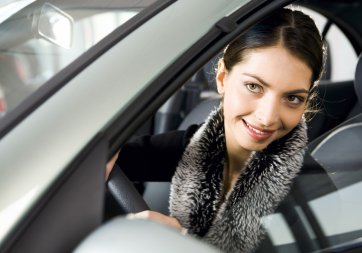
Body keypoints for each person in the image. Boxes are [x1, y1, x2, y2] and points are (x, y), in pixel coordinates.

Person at [107, 7, 325, 253]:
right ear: (222, 78)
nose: (267, 117)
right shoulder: (197, 145)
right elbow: (106, 160)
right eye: (254, 86)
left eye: (293, 98)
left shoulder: (311, 186)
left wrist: (181, 241)